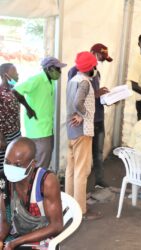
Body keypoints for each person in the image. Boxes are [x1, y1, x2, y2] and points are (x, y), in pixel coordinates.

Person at [0, 137, 63, 249]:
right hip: (17, 235)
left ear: (32, 164)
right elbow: (6, 221)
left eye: (18, 165)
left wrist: (16, 242)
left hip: (43, 237)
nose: (10, 168)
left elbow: (56, 225)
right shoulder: (4, 181)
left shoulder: (46, 181)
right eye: (7, 162)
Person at [68, 43, 113, 188]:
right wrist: (95, 96)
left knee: (97, 153)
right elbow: (77, 99)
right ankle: (80, 192)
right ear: (92, 53)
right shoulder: (76, 72)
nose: (100, 62)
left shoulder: (95, 72)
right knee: (82, 161)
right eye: (100, 57)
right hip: (83, 122)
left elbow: (89, 96)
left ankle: (98, 180)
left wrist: (106, 98)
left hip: (97, 116)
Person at [12, 56, 67, 169]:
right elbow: (15, 90)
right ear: (49, 69)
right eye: (58, 69)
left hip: (46, 129)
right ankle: (37, 185)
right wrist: (28, 108)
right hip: (38, 130)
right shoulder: (37, 79)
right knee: (40, 165)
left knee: (43, 162)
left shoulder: (49, 81)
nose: (60, 72)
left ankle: (38, 184)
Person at [65, 51, 101, 220]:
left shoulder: (73, 79)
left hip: (72, 131)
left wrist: (78, 113)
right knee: (81, 171)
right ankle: (80, 210)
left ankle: (69, 205)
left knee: (71, 170)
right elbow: (77, 103)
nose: (96, 67)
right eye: (95, 65)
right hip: (82, 132)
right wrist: (84, 114)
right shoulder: (85, 82)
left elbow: (74, 103)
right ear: (90, 67)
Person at [0, 63, 21, 170]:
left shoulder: (13, 90)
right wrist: (1, 138)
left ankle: (11, 186)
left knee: (14, 165)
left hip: (16, 134)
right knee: (3, 166)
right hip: (5, 137)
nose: (17, 74)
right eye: (14, 72)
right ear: (5, 75)